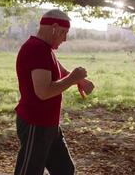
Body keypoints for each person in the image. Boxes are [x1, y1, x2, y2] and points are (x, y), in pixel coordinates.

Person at [14, 9, 94, 175]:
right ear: (54, 27)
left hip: (48, 124)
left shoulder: (44, 48)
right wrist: (73, 78)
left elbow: (58, 70)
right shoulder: (37, 49)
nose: (65, 39)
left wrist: (79, 80)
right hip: (35, 123)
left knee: (64, 170)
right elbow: (43, 92)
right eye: (64, 33)